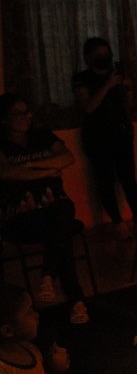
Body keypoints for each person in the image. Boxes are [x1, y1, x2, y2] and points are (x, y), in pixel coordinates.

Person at [0, 93, 90, 325]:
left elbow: (67, 158)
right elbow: (6, 173)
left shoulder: (41, 136)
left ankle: (49, 276)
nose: (26, 117)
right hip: (22, 216)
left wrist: (28, 166)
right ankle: (75, 300)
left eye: (27, 112)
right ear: (4, 118)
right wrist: (47, 171)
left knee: (60, 212)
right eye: (19, 113)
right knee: (61, 230)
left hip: (54, 208)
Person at [71, 37, 137, 240]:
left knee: (128, 178)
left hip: (120, 132)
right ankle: (117, 223)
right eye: (99, 55)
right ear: (88, 58)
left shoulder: (116, 75)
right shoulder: (82, 79)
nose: (104, 58)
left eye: (106, 54)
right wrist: (107, 85)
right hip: (97, 136)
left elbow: (127, 108)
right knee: (105, 180)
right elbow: (88, 106)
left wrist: (128, 89)